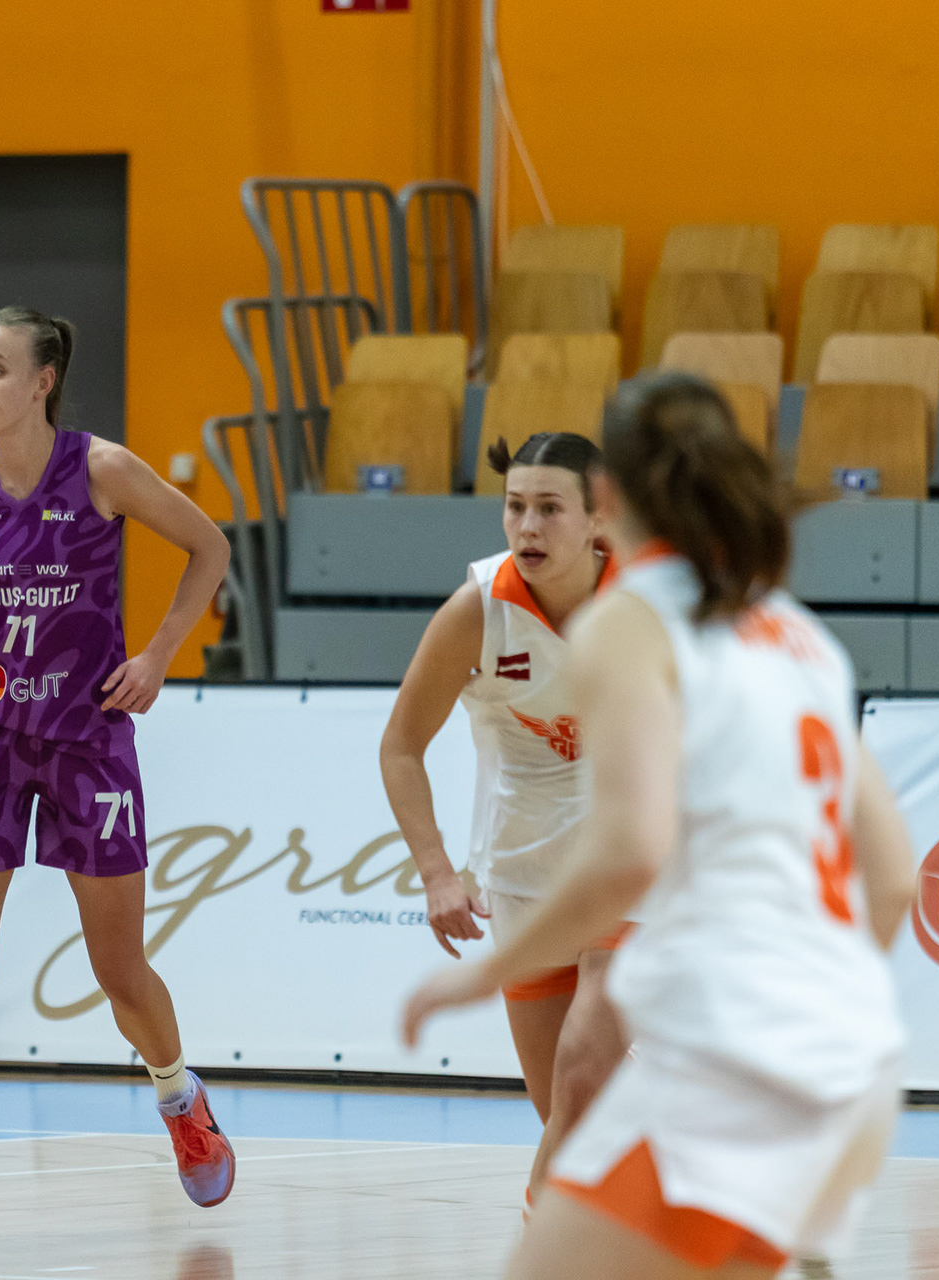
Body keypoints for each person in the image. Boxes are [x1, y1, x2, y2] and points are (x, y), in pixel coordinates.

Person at [403, 373, 915, 1279]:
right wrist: (822, 1005)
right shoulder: (793, 629)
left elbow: (630, 853)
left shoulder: (631, 621)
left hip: (735, 1057)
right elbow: (895, 880)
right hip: (857, 1058)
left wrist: (480, 975)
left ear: (606, 497)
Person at [0, 306, 235, 1231]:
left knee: (118, 968)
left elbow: (211, 547)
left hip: (88, 734)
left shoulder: (102, 469)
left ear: (44, 380)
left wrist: (157, 657)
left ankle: (180, 1099)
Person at [379, 431, 628, 1206]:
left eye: (550, 508)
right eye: (515, 506)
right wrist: (437, 873)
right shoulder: (477, 612)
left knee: (584, 1086)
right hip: (525, 872)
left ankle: (541, 1240)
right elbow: (400, 748)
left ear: (598, 516)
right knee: (565, 1120)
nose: (527, 527)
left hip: (629, 861)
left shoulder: (650, 599)